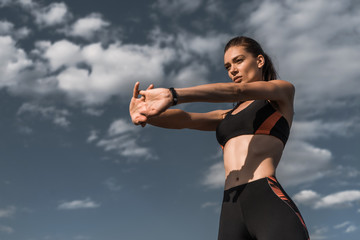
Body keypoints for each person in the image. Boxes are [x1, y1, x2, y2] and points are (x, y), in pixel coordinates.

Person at [129, 36, 310, 240]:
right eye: (227, 66)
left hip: (266, 199)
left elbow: (237, 91)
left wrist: (174, 95)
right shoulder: (227, 116)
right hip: (230, 208)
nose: (232, 70)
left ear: (259, 61)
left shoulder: (281, 92)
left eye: (239, 60)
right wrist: (147, 115)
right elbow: (186, 119)